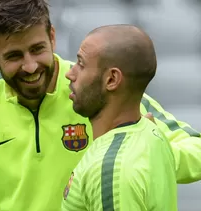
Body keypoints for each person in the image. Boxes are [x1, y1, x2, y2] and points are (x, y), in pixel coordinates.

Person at [0, 0, 201, 210]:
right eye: (14, 56)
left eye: (37, 49)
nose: (30, 66)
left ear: (52, 37)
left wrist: (150, 151)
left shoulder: (92, 89)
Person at [61, 24, 177, 211]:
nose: (70, 73)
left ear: (112, 79)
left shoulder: (110, 170)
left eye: (81, 64)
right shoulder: (151, 131)